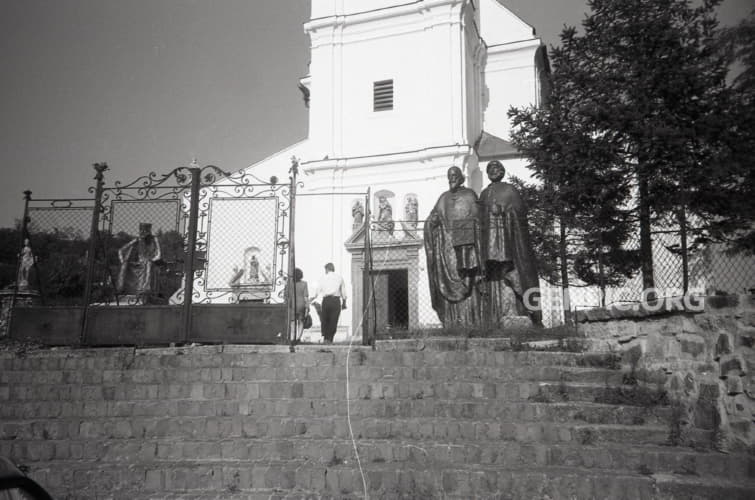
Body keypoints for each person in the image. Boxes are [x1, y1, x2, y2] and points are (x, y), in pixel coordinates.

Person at [479, 160, 542, 326]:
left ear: (502, 171)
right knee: (495, 279)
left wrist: (504, 212)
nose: (493, 170)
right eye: (490, 168)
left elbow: (520, 212)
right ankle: (496, 317)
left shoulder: (510, 190)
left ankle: (530, 313)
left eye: (496, 167)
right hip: (491, 247)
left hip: (510, 243)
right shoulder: (484, 194)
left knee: (516, 276)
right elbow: (479, 218)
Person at [423, 166, 483, 327]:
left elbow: (478, 218)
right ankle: (451, 321)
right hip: (446, 248)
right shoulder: (443, 198)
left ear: (461, 177)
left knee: (466, 279)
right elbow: (433, 216)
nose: (452, 178)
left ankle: (471, 320)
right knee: (447, 280)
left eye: (455, 175)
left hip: (465, 247)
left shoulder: (470, 195)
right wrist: (432, 221)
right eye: (449, 176)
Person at [117, 222, 162, 298]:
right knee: (126, 265)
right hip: (139, 263)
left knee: (148, 264)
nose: (143, 233)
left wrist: (153, 259)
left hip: (150, 262)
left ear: (149, 231)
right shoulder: (137, 239)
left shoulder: (154, 239)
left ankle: (145, 288)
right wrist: (122, 260)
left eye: (145, 230)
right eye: (142, 230)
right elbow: (121, 250)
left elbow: (159, 254)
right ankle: (122, 289)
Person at [312, 262, 347, 343]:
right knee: (334, 320)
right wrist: (344, 303)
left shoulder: (322, 278)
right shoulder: (339, 278)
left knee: (325, 319)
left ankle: (326, 338)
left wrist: (312, 298)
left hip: (326, 301)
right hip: (335, 301)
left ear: (327, 269)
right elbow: (343, 292)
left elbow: (317, 291)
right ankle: (330, 339)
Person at [290, 268, 309, 343]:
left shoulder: (289, 283)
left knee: (292, 322)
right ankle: (298, 338)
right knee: (301, 322)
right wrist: (307, 307)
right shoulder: (304, 283)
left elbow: (286, 295)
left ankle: (292, 338)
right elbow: (306, 297)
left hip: (292, 305)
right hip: (301, 305)